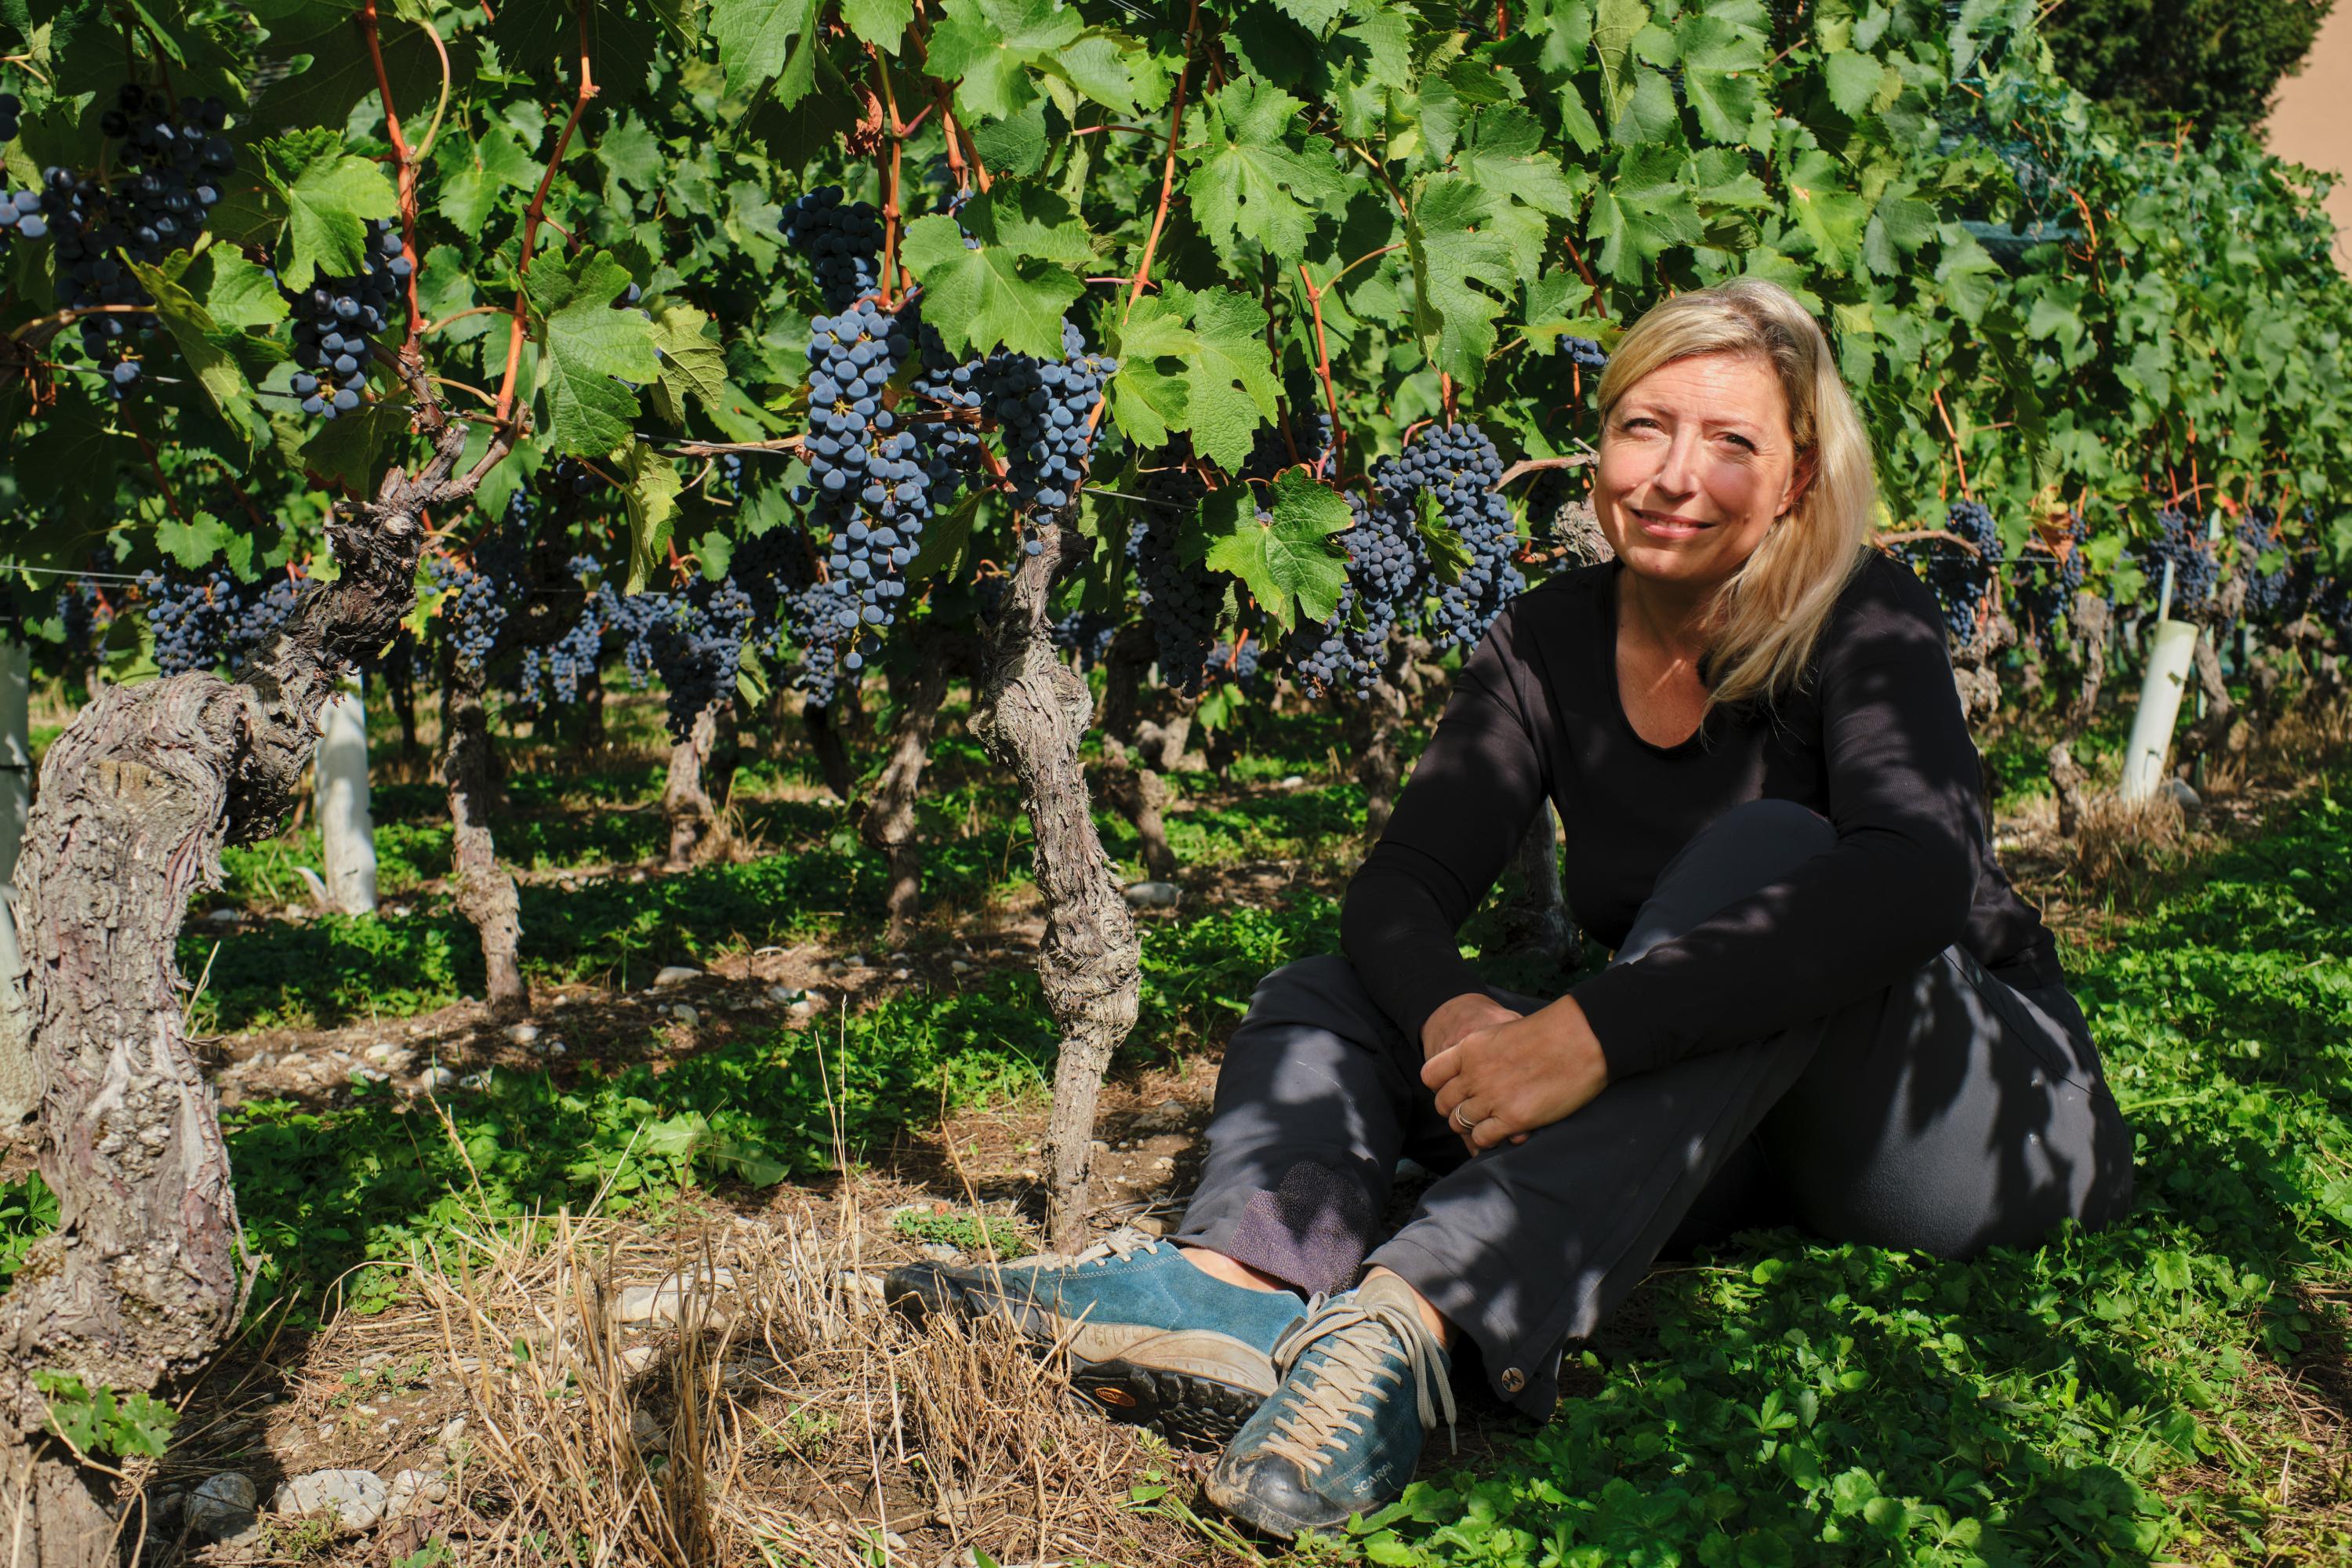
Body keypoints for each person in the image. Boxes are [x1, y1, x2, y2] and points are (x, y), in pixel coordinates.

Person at [885, 278, 2136, 1539]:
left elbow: (1913, 875)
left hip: (1965, 1126)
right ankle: (1241, 1279)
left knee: (1771, 850)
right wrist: (1450, 1012)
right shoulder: (1547, 639)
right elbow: (1401, 890)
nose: (1671, 474)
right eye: (1644, 426)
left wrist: (1595, 1034)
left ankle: (1415, 1325)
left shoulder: (1865, 617)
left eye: (1731, 442)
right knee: (1329, 990)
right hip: (1738, 1098)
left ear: (1802, 479)